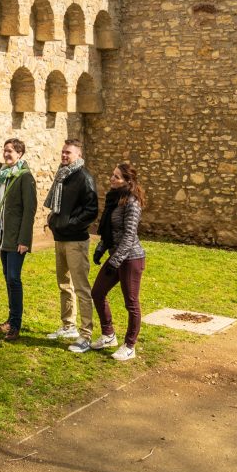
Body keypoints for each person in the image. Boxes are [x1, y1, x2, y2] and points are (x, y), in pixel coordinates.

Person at [43, 138, 99, 353]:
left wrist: (69, 224)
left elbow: (91, 210)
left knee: (81, 288)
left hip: (76, 240)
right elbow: (59, 207)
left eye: (68, 153)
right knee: (64, 284)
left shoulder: (84, 178)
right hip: (61, 238)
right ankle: (69, 326)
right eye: (63, 152)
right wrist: (54, 221)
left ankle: (85, 335)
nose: (64, 156)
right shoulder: (63, 175)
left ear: (78, 155)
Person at [90, 160, 146, 361]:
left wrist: (116, 260)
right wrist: (100, 250)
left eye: (116, 176)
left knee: (131, 302)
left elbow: (129, 236)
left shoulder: (132, 201)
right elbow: (109, 231)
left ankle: (130, 345)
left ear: (127, 181)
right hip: (116, 255)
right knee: (97, 292)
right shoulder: (114, 199)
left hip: (131, 258)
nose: (112, 179)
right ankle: (108, 335)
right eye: (112, 175)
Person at [0, 137, 38, 342]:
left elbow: (29, 210)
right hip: (3, 237)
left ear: (20, 154)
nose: (6, 154)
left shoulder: (25, 177)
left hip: (17, 239)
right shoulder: (3, 175)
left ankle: (15, 325)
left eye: (10, 151)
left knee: (14, 280)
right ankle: (10, 319)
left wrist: (24, 240)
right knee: (8, 279)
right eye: (5, 150)